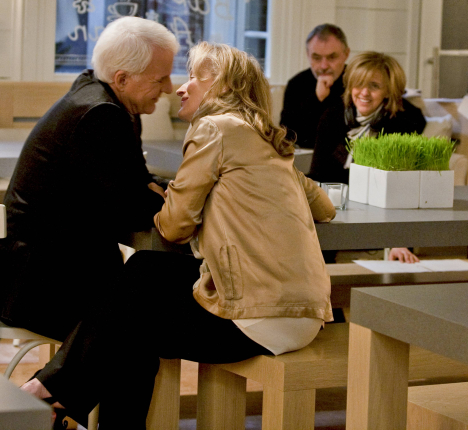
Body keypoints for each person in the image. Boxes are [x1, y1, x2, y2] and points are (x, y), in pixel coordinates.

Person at [22, 42, 336, 429]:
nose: (180, 88)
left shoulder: (214, 128)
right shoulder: (267, 141)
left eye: (193, 77)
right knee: (140, 286)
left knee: (131, 313)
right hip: (305, 315)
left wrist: (174, 196)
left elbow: (174, 226)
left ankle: (48, 392)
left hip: (257, 315)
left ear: (221, 86)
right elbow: (326, 207)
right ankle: (54, 396)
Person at [0, 16, 179, 343]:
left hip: (33, 270)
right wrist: (165, 197)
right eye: (160, 78)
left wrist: (157, 191)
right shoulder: (102, 114)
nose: (169, 88)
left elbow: (136, 183)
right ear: (122, 79)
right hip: (41, 284)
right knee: (149, 316)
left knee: (145, 303)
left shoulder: (99, 94)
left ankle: (66, 376)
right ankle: (60, 379)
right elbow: (131, 209)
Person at [309, 51, 426, 263]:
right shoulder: (332, 117)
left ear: (388, 91)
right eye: (359, 84)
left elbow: (403, 191)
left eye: (374, 86)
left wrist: (400, 241)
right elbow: (318, 175)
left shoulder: (403, 123)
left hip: (380, 210)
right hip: (335, 207)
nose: (364, 93)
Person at [280, 23, 350, 148]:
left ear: (346, 54)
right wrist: (317, 99)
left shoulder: (357, 82)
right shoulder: (296, 84)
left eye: (332, 57)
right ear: (308, 55)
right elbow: (287, 136)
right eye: (316, 58)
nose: (324, 66)